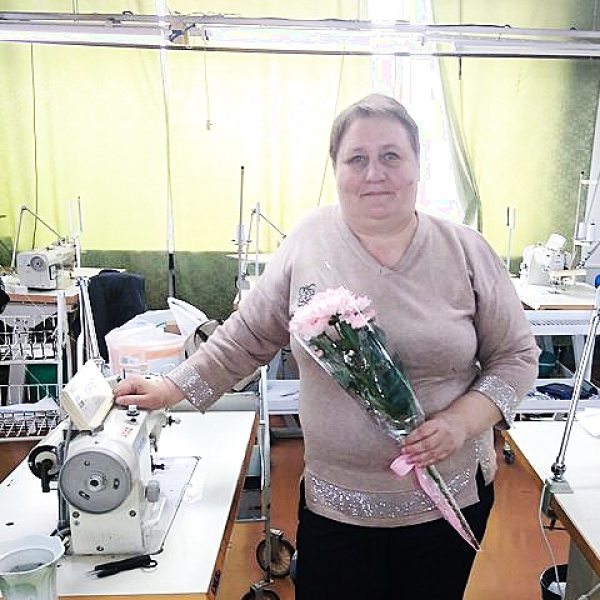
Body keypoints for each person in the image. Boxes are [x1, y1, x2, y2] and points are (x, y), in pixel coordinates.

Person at [115, 94, 539, 599]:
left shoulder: (465, 250)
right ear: (336, 168)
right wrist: (170, 389)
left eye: (391, 155)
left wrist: (460, 422)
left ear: (417, 165)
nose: (374, 173)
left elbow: (516, 357)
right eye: (357, 158)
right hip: (337, 508)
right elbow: (248, 337)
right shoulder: (309, 242)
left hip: (447, 501)